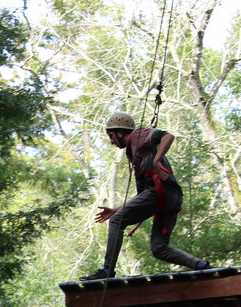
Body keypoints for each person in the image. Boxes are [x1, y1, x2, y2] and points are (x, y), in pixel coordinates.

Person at [79, 111, 209, 281]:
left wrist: (157, 160)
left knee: (117, 221)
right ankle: (201, 266)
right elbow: (142, 198)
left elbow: (168, 136)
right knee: (159, 249)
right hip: (172, 197)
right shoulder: (134, 154)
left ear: (121, 132)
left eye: (112, 136)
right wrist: (117, 209)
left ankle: (107, 270)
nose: (111, 141)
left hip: (161, 192)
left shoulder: (138, 136)